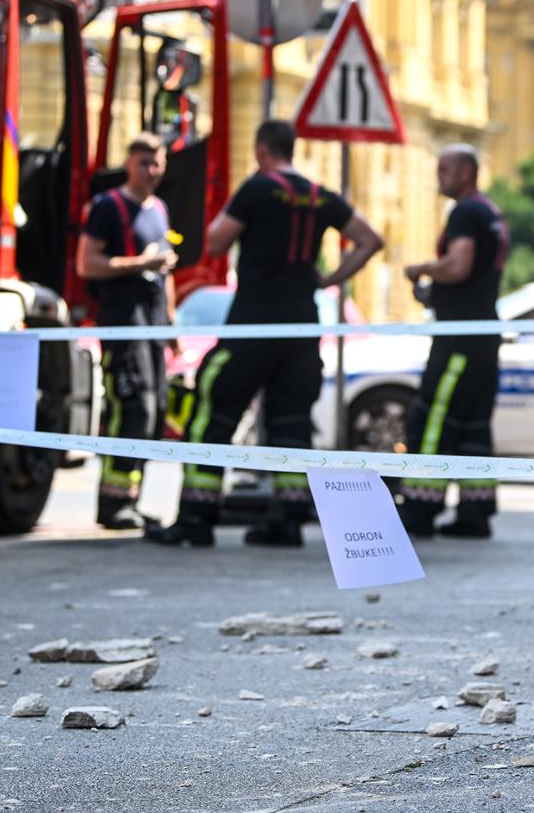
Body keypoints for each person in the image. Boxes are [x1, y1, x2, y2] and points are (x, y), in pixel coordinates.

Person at [145, 120, 382, 547]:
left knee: (213, 411)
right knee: (291, 423)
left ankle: (197, 516)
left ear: (260, 149)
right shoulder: (318, 194)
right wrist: (328, 280)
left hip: (254, 323)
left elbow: (215, 242)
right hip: (301, 327)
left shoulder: (257, 189)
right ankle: (287, 519)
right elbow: (369, 239)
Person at [398, 145, 511, 539]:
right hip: (481, 334)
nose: (439, 176)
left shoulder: (465, 212)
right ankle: (475, 512)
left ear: (467, 171)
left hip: (458, 339)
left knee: (433, 416)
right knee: (472, 426)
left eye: (446, 169)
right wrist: (434, 297)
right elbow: (476, 278)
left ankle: (418, 508)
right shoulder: (491, 212)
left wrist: (421, 269)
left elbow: (459, 266)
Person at [76, 133, 177, 530]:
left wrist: (170, 323)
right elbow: (87, 264)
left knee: (154, 415)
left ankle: (132, 500)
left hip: (153, 325)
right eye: (143, 163)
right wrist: (138, 263)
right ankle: (112, 502)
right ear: (128, 163)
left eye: (156, 163)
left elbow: (164, 272)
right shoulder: (108, 207)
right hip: (123, 322)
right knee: (132, 408)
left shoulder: (160, 210)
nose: (150, 171)